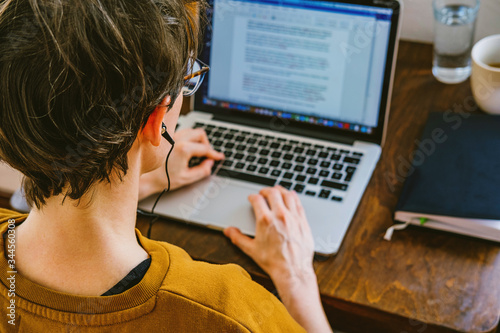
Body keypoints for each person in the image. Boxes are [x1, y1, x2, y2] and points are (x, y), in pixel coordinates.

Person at [0, 0, 332, 332]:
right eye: (187, 78)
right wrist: (296, 278)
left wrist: (135, 176)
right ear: (157, 119)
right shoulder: (227, 310)